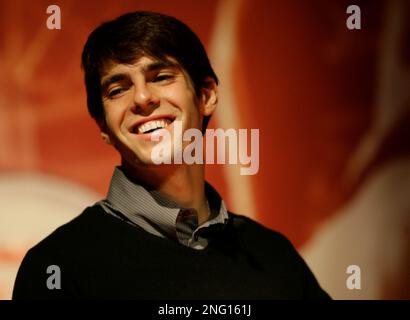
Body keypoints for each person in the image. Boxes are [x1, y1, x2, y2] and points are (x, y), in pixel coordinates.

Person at [12, 11, 330, 299]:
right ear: (104, 128)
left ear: (206, 96)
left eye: (161, 77)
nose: (142, 97)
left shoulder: (273, 255)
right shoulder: (58, 268)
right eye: (117, 89)